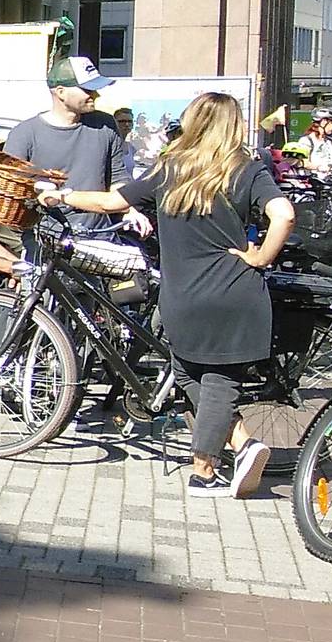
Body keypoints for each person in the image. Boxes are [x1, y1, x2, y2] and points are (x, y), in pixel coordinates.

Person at [45, 92, 293, 497]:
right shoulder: (246, 169)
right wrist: (261, 257)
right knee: (217, 381)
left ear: (192, 122)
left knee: (188, 372)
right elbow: (283, 214)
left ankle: (226, 456)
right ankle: (214, 468)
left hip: (181, 293)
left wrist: (63, 196)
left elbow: (112, 200)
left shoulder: (169, 170)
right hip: (233, 290)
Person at [7, 56, 132, 232]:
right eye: (87, 89)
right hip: (47, 240)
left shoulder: (106, 124)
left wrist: (130, 209)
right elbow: (11, 189)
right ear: (60, 92)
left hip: (100, 235)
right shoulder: (24, 134)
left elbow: (118, 178)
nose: (95, 95)